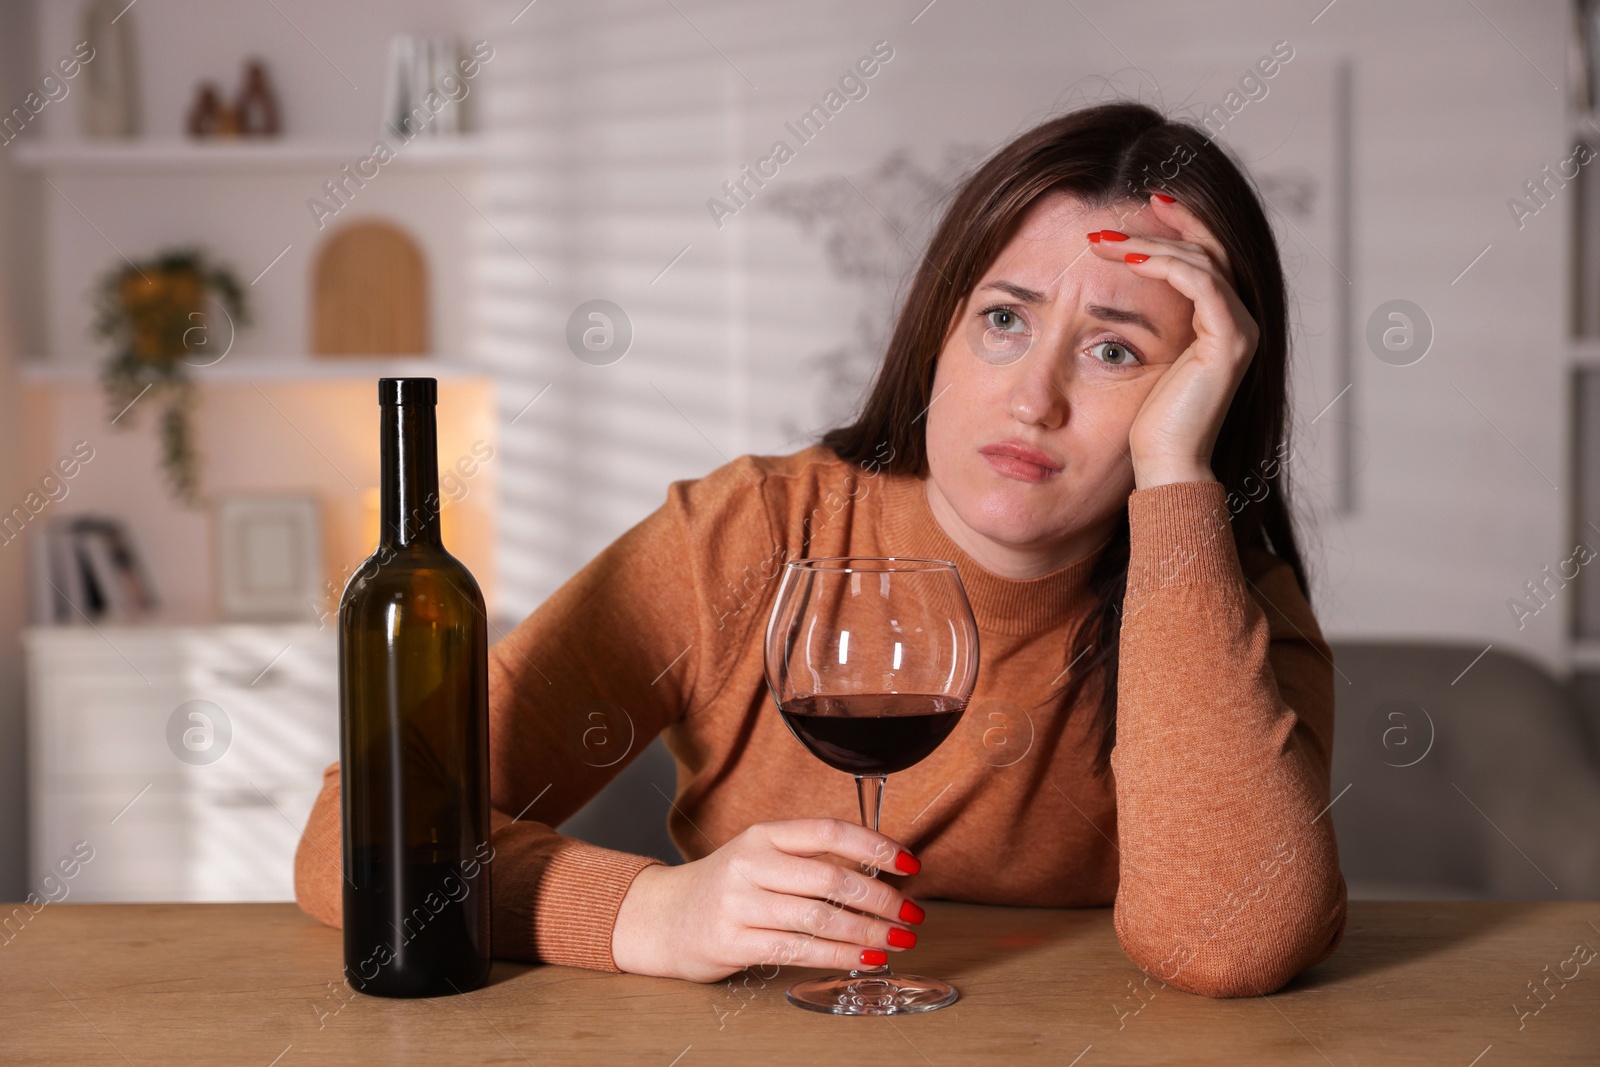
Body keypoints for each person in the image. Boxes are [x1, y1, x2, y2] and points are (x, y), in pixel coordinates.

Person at [294, 100, 1346, 999]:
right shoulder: (748, 534)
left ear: (1200, 392)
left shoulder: (1223, 596)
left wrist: (1175, 481)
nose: (1035, 397)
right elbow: (356, 837)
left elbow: (1228, 940)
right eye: (1002, 320)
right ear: (938, 327)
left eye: (1117, 349)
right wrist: (648, 911)